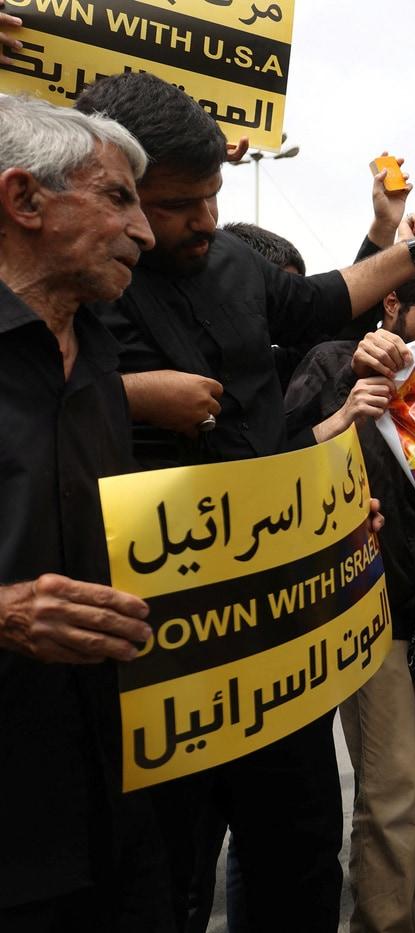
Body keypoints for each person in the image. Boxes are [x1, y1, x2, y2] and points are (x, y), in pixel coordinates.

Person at [73, 71, 415, 933]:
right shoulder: (73, 278)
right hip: (153, 642)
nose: (203, 221)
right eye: (176, 205)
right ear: (111, 188)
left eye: (213, 197)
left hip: (274, 633)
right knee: (163, 872)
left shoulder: (232, 265)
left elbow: (322, 300)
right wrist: (134, 396)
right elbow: (33, 395)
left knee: (298, 852)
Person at [0, 93, 166, 933]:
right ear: (24, 199)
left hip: (113, 807)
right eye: (118, 198)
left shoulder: (101, 351)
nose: (145, 232)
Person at [285, 276, 415, 933]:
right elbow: (279, 462)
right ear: (390, 305)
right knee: (394, 787)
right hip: (368, 609)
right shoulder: (332, 364)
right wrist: (347, 400)